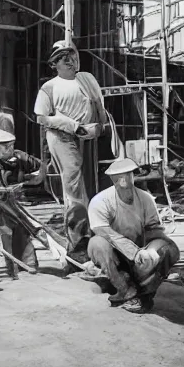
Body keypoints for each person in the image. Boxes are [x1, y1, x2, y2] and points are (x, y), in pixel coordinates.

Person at [33, 40, 111, 254]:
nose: (70, 60)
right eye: (62, 57)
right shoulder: (49, 87)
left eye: (72, 54)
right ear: (54, 63)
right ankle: (78, 238)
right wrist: (71, 125)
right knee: (74, 187)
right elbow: (41, 118)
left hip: (89, 137)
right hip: (62, 137)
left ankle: (95, 232)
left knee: (93, 184)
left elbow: (99, 106)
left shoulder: (87, 79)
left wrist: (99, 128)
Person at [87, 158, 180, 313]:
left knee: (169, 249)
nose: (125, 180)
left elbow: (154, 230)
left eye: (128, 174)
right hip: (114, 256)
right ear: (116, 180)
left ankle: (144, 293)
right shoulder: (100, 201)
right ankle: (125, 289)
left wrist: (152, 250)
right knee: (98, 244)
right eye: (121, 177)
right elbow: (105, 233)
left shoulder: (145, 198)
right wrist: (134, 252)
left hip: (140, 254)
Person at [0, 128, 44, 278]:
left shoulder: (19, 156)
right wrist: (4, 191)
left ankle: (29, 262)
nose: (10, 149)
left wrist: (33, 179)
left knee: (23, 227)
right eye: (6, 146)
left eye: (12, 145)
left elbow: (41, 165)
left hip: (15, 197)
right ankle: (12, 268)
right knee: (7, 231)